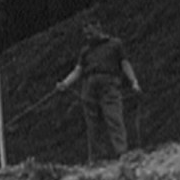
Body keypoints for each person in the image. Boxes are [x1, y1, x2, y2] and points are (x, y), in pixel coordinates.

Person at [56, 17, 142, 161]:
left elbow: (125, 64)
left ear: (98, 26)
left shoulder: (115, 44)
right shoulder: (85, 51)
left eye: (90, 31)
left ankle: (122, 153)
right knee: (92, 124)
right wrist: (65, 83)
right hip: (89, 88)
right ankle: (97, 158)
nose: (87, 36)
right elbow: (78, 71)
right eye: (85, 33)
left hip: (109, 86)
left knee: (114, 117)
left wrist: (134, 81)